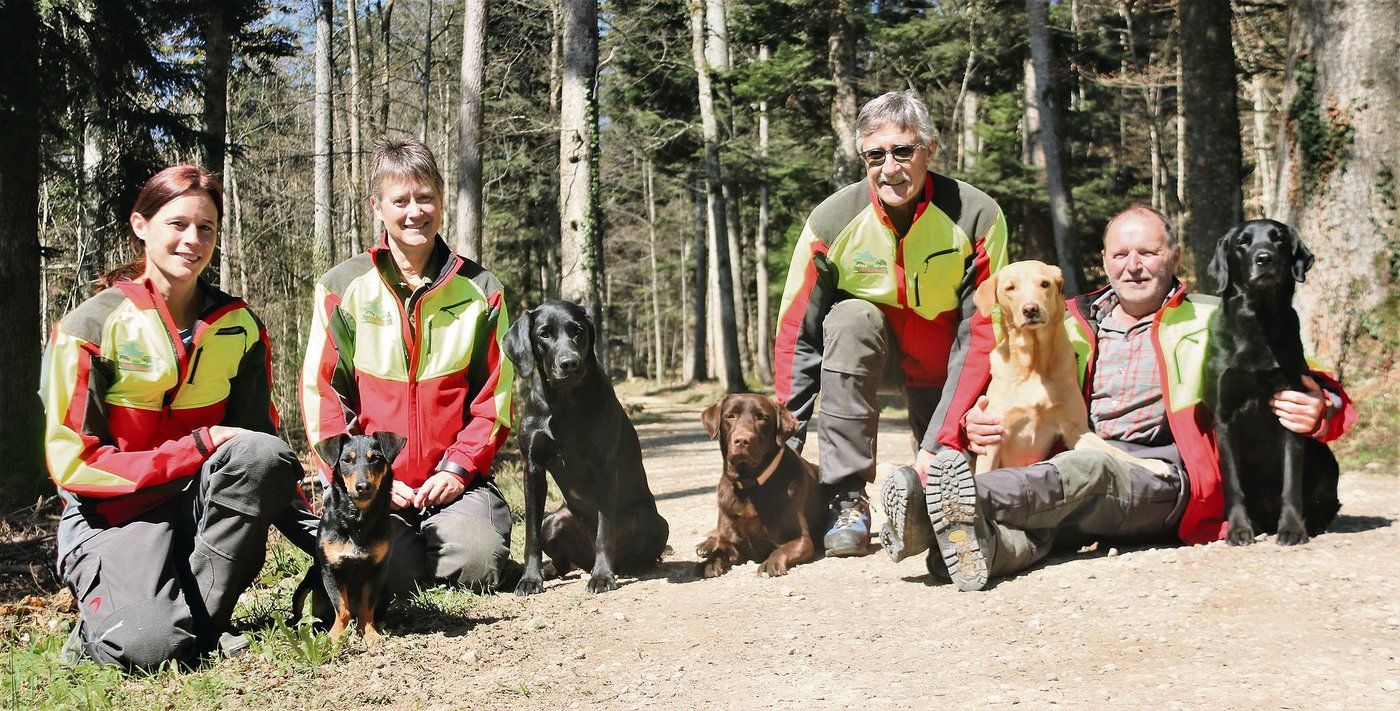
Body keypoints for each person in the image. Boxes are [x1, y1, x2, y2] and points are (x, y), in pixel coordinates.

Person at [880, 205, 1356, 590]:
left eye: (1149, 252)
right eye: (1121, 254)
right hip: (1076, 465)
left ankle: (934, 505)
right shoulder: (1064, 319)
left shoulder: (1213, 318)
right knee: (1058, 503)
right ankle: (973, 550)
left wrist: (1325, 409)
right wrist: (970, 424)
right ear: (1104, 261)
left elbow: (1309, 379)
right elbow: (992, 360)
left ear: (1174, 257)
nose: (1134, 265)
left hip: (1164, 475)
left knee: (1085, 468)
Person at [42, 165, 305, 670]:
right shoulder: (89, 327)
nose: (192, 240)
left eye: (205, 228)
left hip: (200, 517)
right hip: (113, 518)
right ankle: (124, 621)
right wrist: (196, 446)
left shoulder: (241, 325)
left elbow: (264, 454)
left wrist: (325, 540)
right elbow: (74, 466)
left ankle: (194, 620)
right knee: (147, 649)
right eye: (177, 224)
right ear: (141, 226)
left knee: (262, 452)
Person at [774, 90, 1008, 556]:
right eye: (875, 155)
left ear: (930, 149)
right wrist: (787, 434)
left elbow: (982, 331)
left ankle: (924, 499)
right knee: (848, 318)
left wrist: (943, 437)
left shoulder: (979, 215)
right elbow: (799, 331)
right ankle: (846, 498)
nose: (890, 167)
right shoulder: (832, 221)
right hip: (873, 358)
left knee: (946, 478)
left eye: (903, 150)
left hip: (946, 368)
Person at [300, 135, 516, 597]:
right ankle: (408, 557)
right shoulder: (342, 287)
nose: (415, 211)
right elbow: (321, 397)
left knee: (474, 564)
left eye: (426, 198)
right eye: (400, 200)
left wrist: (457, 469)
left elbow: (496, 399)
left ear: (441, 201)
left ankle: (458, 535)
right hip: (373, 490)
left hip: (454, 484)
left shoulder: (482, 289)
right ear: (377, 206)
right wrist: (363, 479)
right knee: (384, 577)